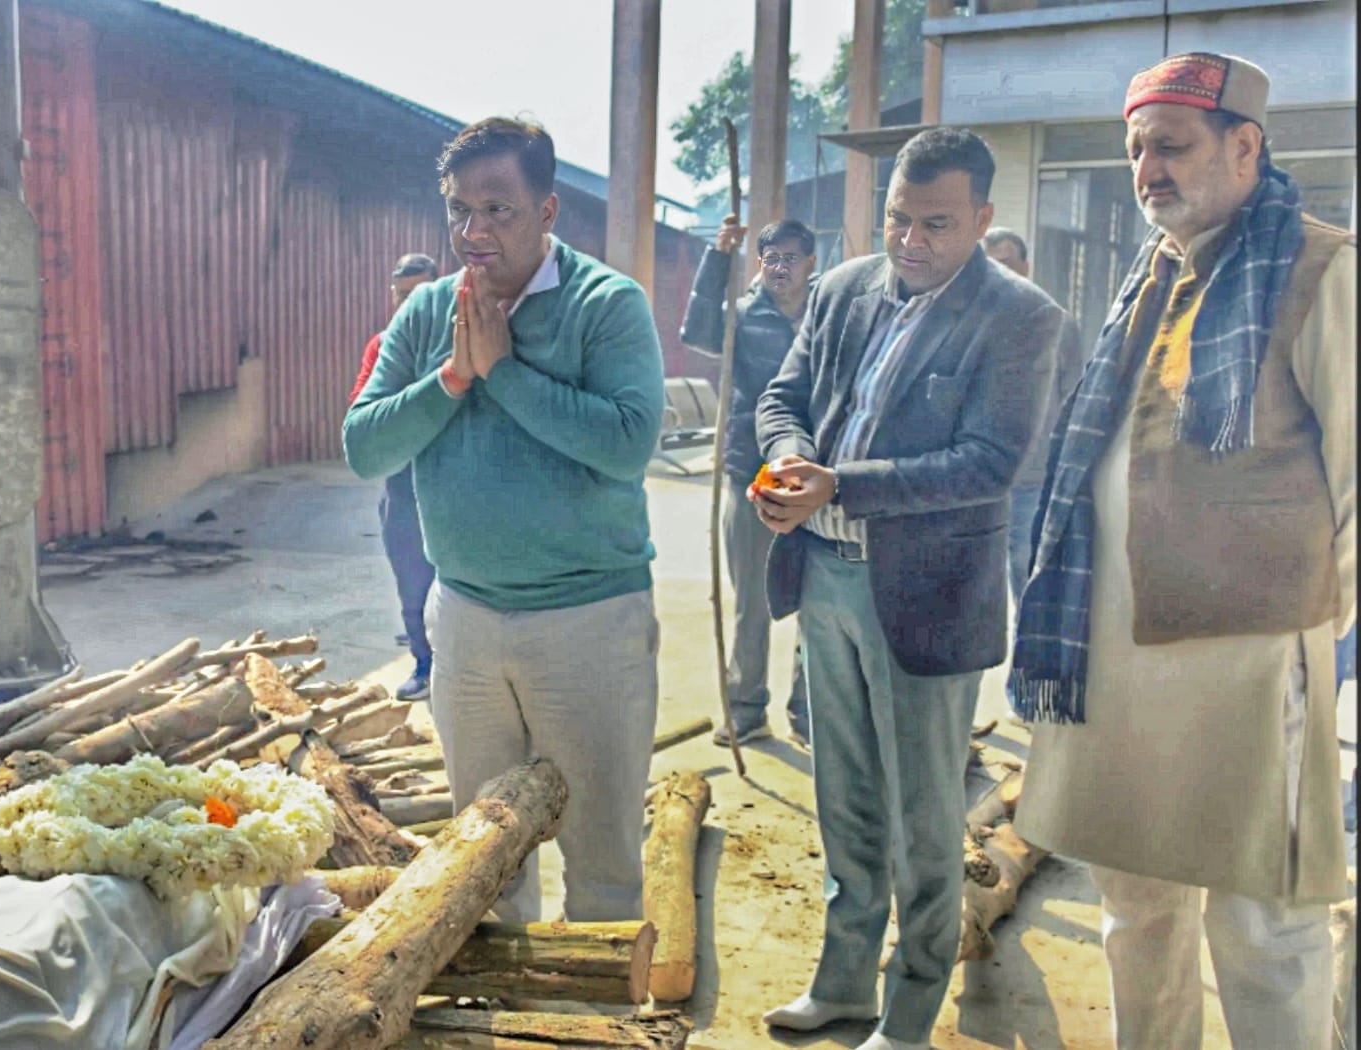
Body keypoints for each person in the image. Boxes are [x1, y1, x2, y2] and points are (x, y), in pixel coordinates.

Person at [1010, 52, 1355, 1050]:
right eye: (1134, 150)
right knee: (1137, 909)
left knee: (1264, 925)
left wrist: (1309, 638)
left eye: (1172, 145)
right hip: (1112, 656)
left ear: (1245, 146)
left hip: (1251, 667)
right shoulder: (1150, 279)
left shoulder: (1323, 268)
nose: (1147, 168)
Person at [750, 127, 1070, 1050]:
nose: (911, 240)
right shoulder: (844, 289)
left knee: (924, 818)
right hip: (825, 579)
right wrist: (789, 460)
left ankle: (912, 1007)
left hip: (924, 600)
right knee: (842, 798)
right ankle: (843, 984)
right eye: (898, 218)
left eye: (936, 223)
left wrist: (843, 486)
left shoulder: (1022, 317)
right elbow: (784, 394)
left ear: (982, 219)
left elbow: (989, 462)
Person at [343, 117, 665, 924]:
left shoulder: (606, 305)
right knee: (484, 853)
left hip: (588, 619)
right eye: (458, 211)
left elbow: (627, 445)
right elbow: (364, 445)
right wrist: (451, 380)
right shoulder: (426, 315)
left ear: (549, 210)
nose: (473, 232)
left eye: (498, 209)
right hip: (467, 619)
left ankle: (602, 1027)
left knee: (601, 857)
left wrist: (506, 376)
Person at [679, 217, 815, 748]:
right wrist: (718, 256)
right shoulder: (740, 316)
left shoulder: (827, 315)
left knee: (817, 599)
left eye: (791, 258)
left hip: (812, 474)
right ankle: (745, 708)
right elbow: (695, 332)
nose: (780, 267)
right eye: (770, 258)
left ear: (810, 263)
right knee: (751, 601)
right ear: (759, 264)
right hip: (750, 472)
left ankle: (808, 713)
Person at [348, 253, 440, 701]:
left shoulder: (456, 342)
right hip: (403, 484)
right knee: (411, 577)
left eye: (417, 294)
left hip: (453, 482)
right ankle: (424, 665)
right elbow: (361, 414)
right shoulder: (382, 345)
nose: (407, 304)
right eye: (401, 295)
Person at [979, 228, 1086, 611]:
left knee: (1028, 586)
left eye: (1004, 264)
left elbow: (1075, 403)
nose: (995, 273)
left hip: (1033, 484)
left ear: (1025, 267)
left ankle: (1028, 671)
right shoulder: (966, 328)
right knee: (971, 599)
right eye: (986, 264)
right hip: (977, 485)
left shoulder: (1057, 324)